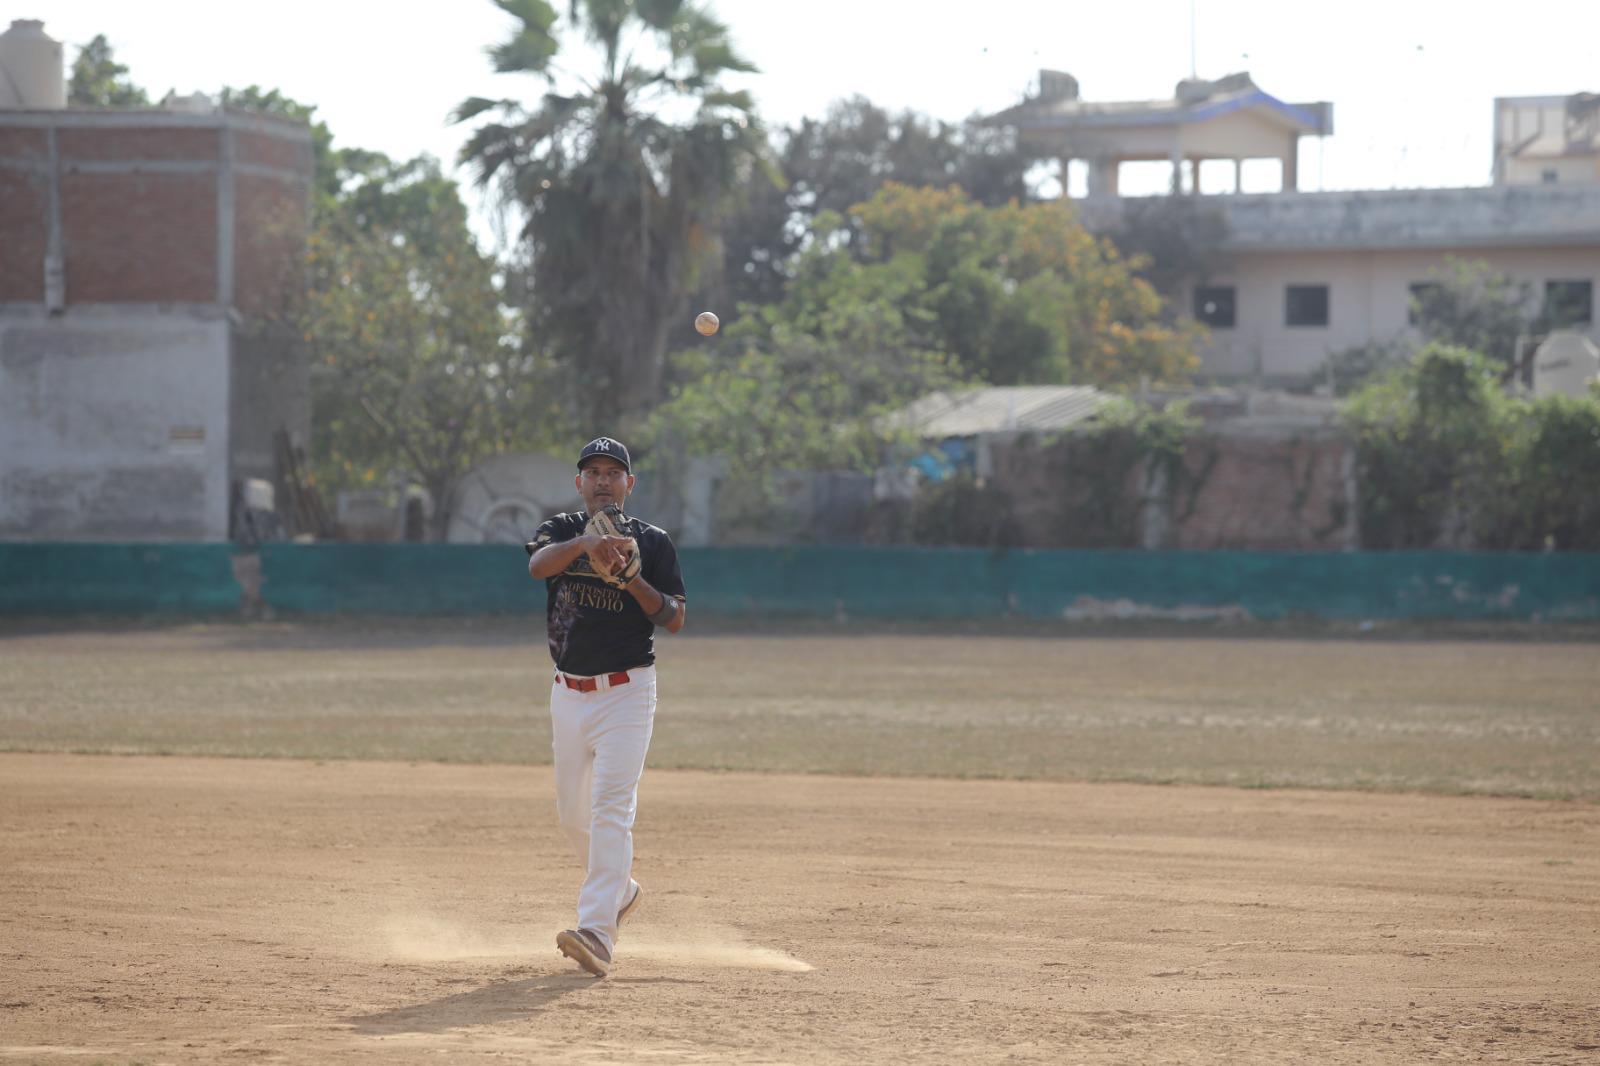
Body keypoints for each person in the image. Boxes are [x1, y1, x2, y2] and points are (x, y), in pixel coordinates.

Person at [524, 436, 687, 977]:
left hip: (628, 691)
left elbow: (674, 615)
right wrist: (585, 548)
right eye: (592, 471)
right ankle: (622, 890)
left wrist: (631, 579)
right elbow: (538, 567)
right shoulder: (561, 529)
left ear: (629, 484)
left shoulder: (653, 541)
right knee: (572, 812)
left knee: (611, 806)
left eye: (612, 472)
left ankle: (597, 931)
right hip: (568, 693)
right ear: (579, 482)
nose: (601, 480)